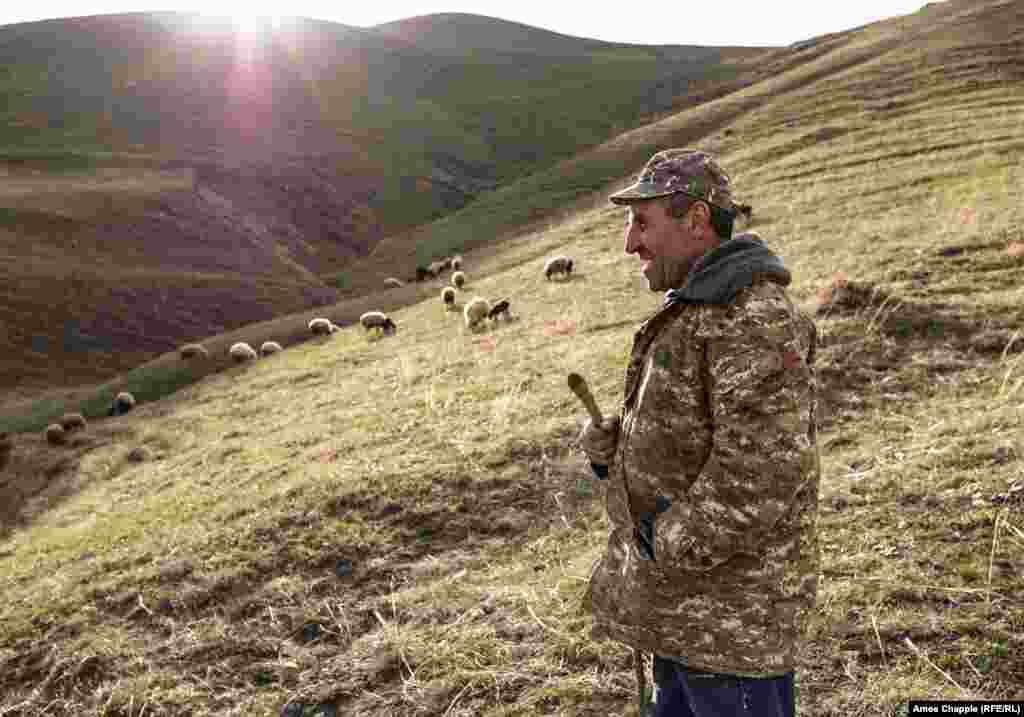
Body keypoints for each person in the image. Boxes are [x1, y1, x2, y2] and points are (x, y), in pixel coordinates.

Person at [578, 149, 820, 716]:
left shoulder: (752, 319)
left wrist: (660, 542)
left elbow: (761, 474)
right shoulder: (696, 311)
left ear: (695, 221)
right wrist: (615, 453)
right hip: (683, 614)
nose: (629, 244)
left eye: (642, 223)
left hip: (729, 630)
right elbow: (695, 443)